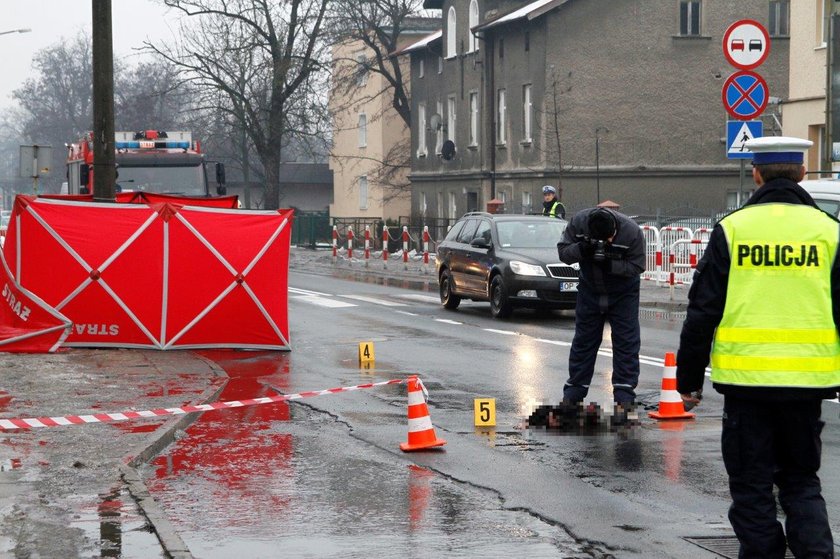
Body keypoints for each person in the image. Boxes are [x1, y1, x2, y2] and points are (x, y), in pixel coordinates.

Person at [676, 136, 840, 559]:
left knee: (751, 486)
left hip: (746, 387)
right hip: (808, 385)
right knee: (802, 482)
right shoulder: (830, 233)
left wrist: (688, 383)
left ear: (756, 174)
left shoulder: (732, 230)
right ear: (803, 173)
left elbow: (701, 312)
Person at [556, 206, 645, 408]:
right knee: (584, 342)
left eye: (611, 239)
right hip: (590, 290)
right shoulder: (578, 223)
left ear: (615, 229)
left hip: (623, 293)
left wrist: (611, 265)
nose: (608, 243)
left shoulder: (632, 232)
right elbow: (563, 252)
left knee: (626, 343)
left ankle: (624, 398)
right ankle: (573, 395)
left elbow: (637, 266)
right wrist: (581, 250)